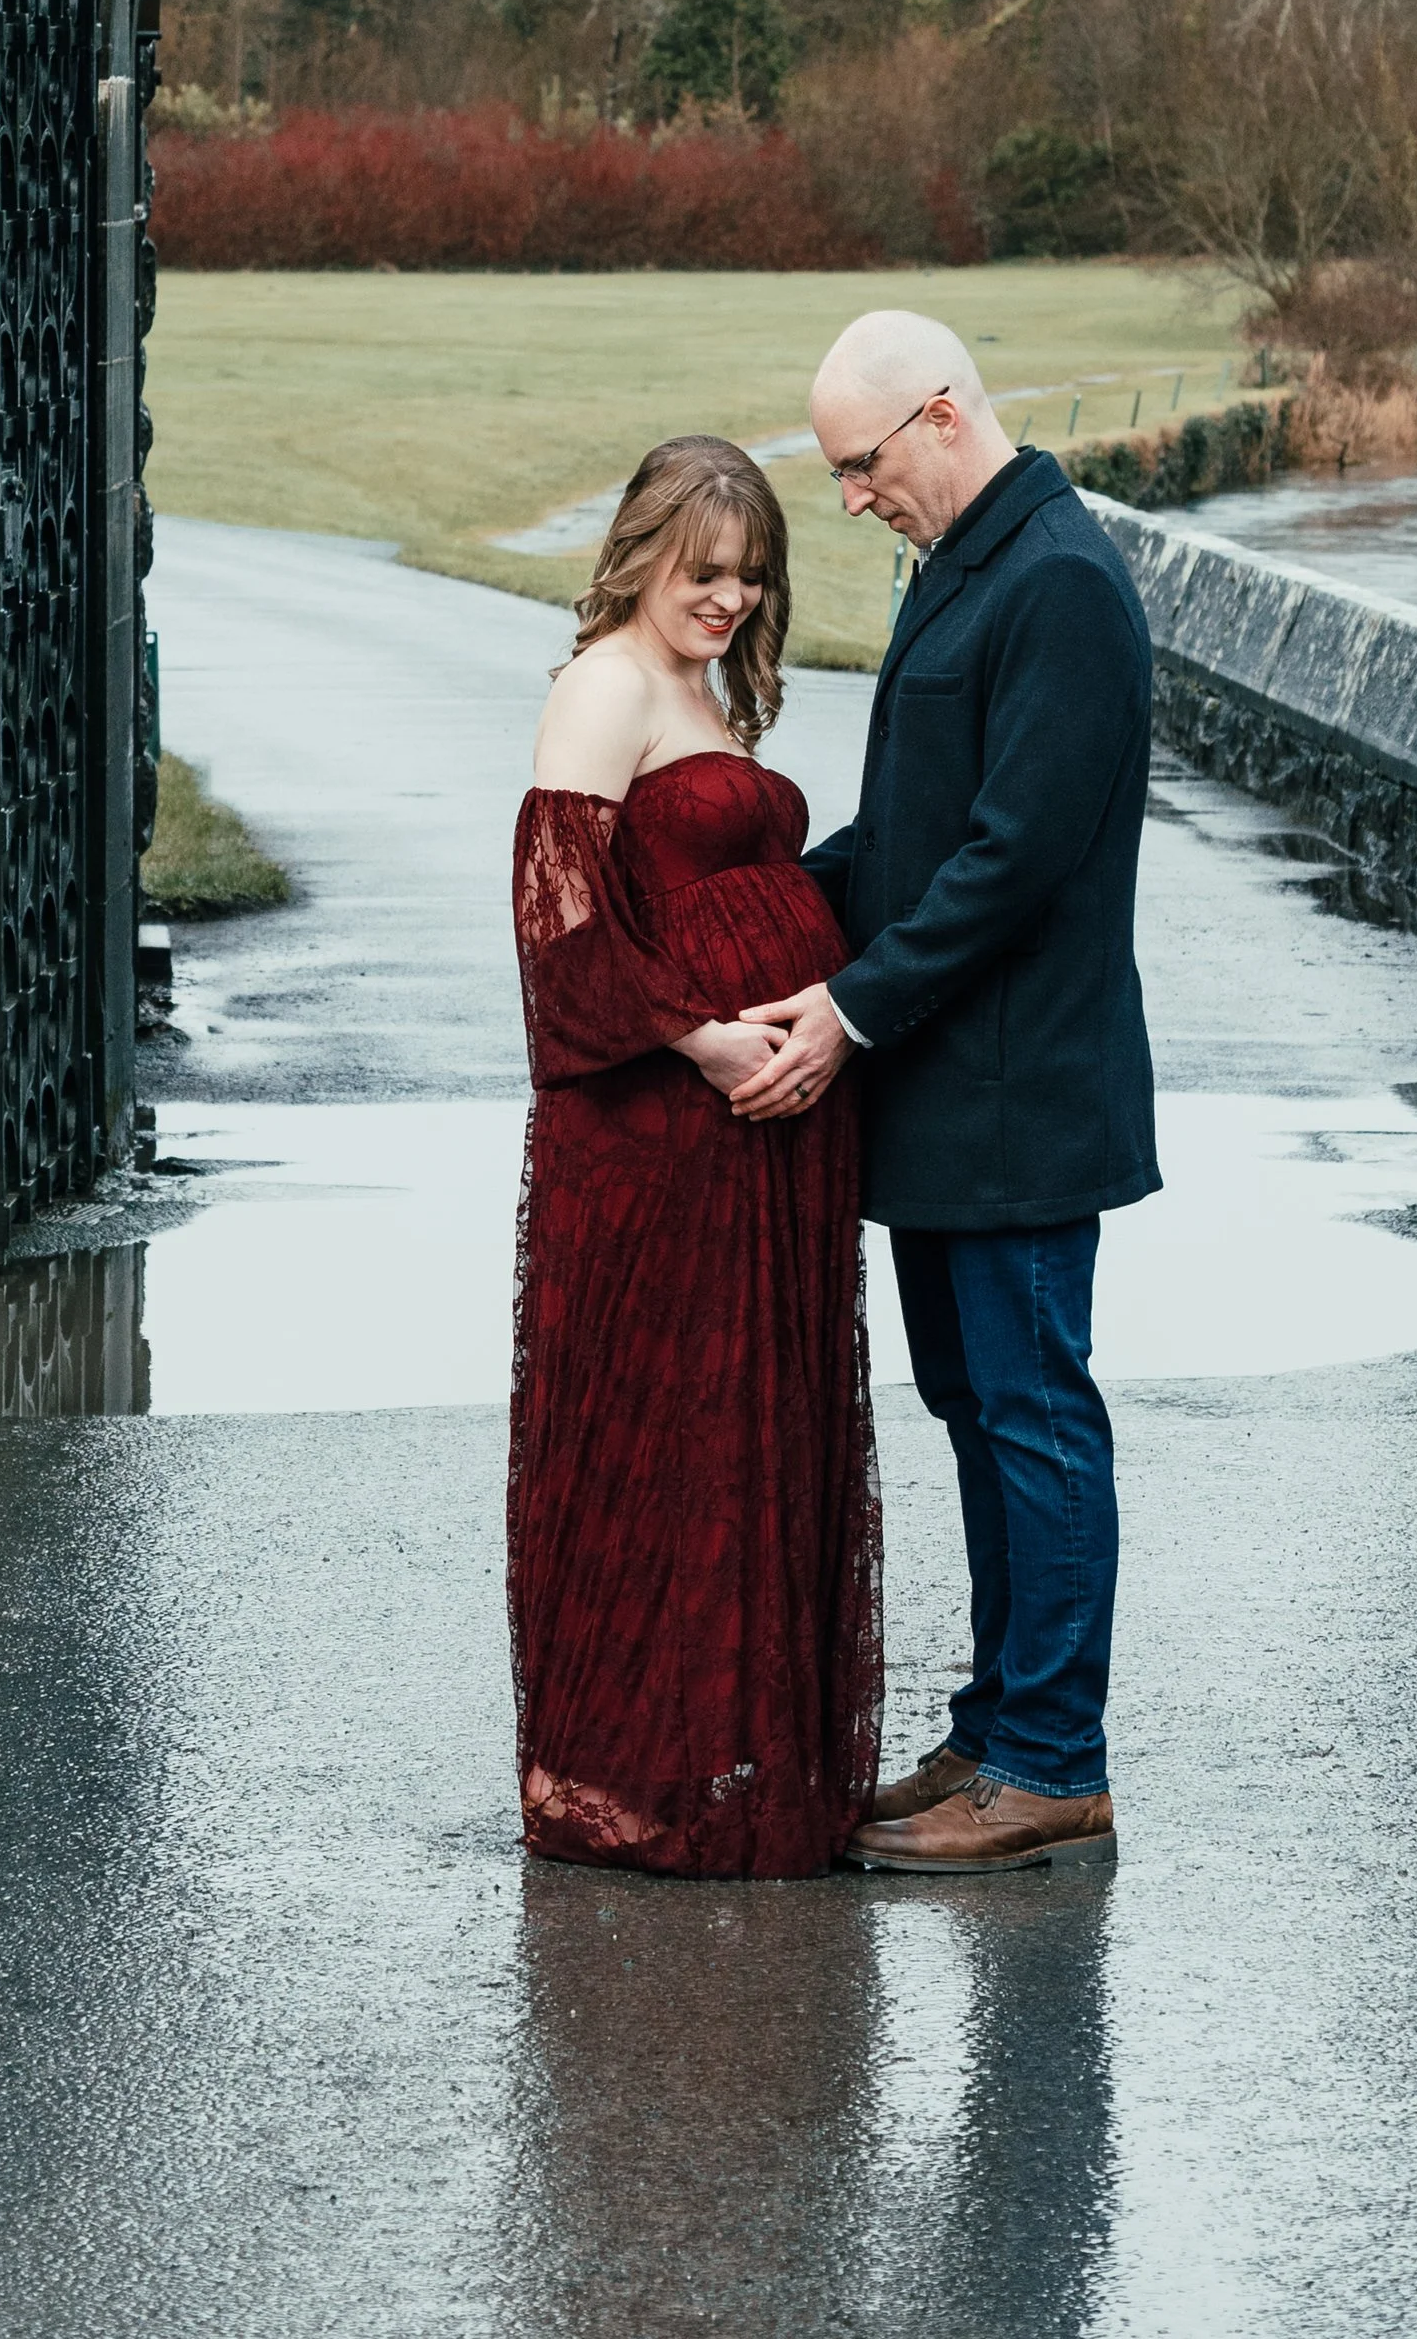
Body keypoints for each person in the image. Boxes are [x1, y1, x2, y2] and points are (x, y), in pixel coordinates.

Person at [732, 312, 1157, 1874]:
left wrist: (848, 1008)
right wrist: (747, 910)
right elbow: (909, 837)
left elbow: (1009, 864)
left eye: (861, 465)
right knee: (979, 1415)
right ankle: (995, 1731)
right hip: (950, 1101)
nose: (851, 498)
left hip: (1023, 1099)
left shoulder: (1059, 582)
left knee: (1035, 1419)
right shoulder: (965, 565)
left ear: (940, 415)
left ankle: (1053, 1764)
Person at [508, 433, 882, 1876]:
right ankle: (633, 1778)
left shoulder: (700, 687)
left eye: (752, 576)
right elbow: (560, 926)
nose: (730, 598)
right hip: (663, 1134)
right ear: (643, 552)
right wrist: (706, 1040)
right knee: (664, 1434)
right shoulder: (605, 685)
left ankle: (734, 1764)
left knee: (744, 1435)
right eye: (705, 571)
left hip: (754, 1139)